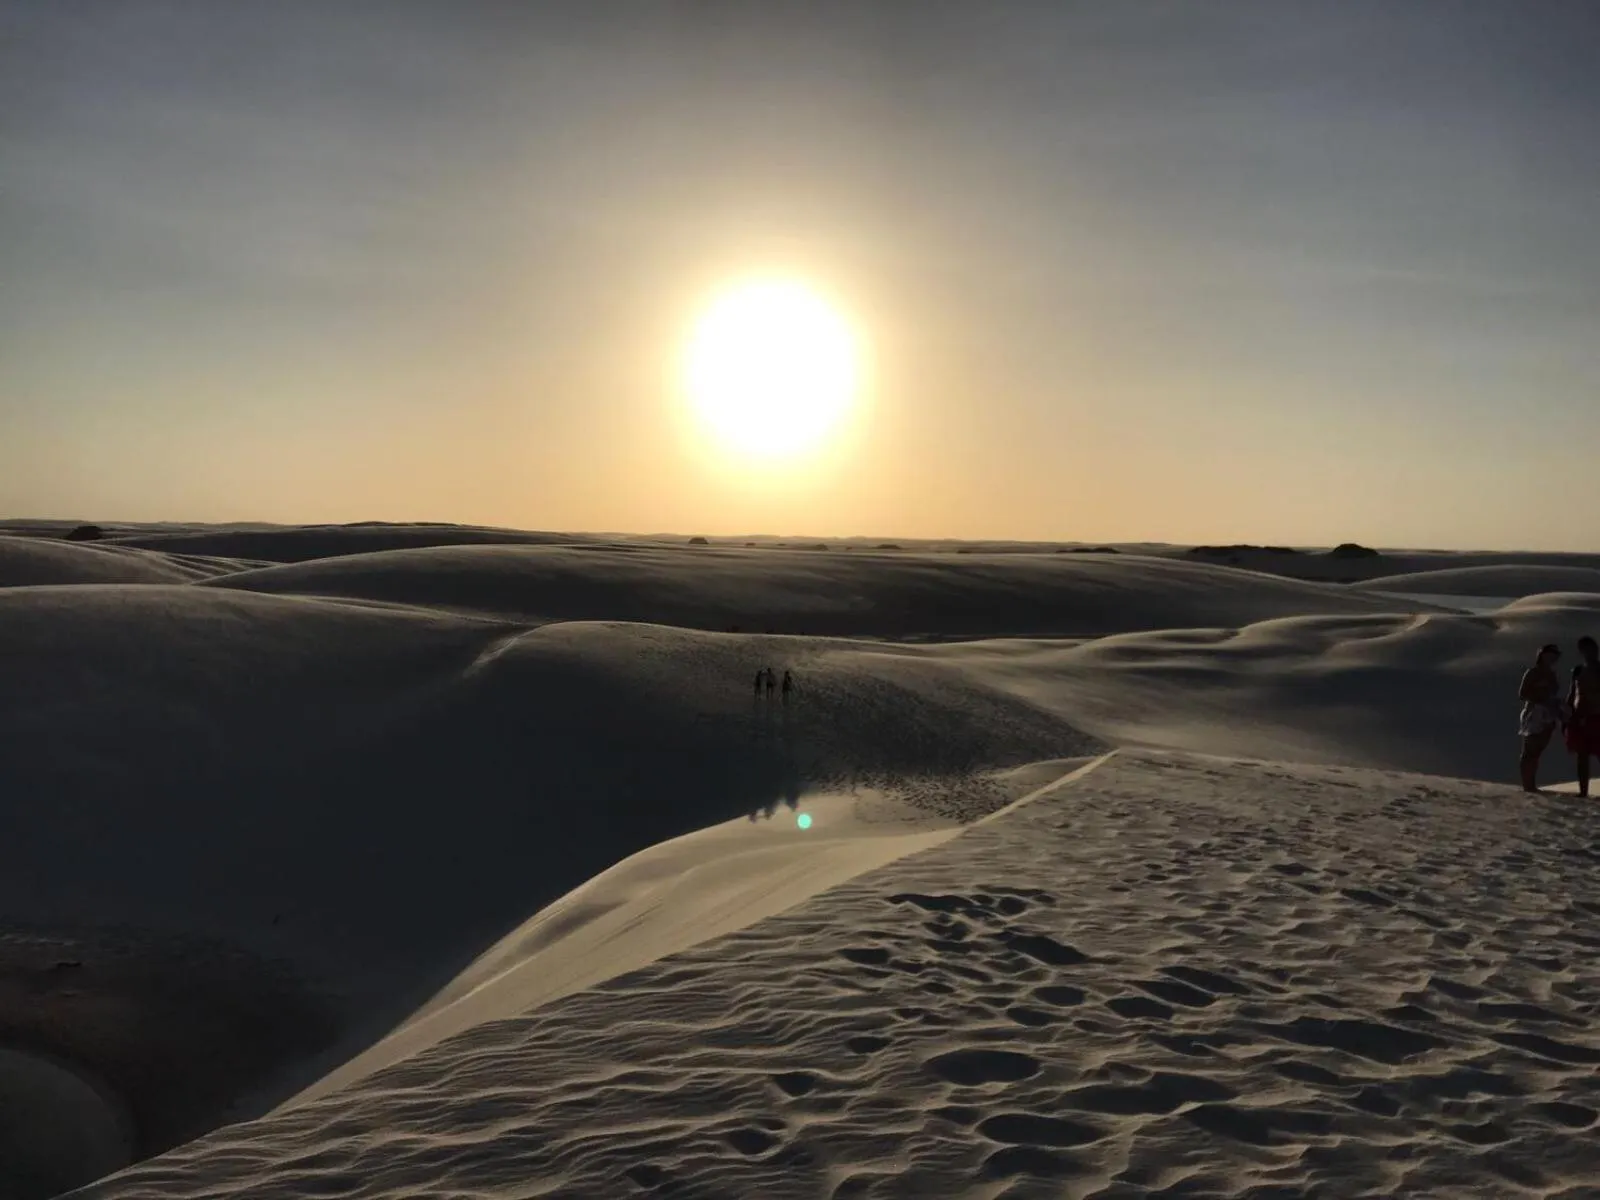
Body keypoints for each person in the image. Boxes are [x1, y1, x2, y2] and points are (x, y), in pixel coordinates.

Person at [1517, 643, 1563, 792]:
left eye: (1555, 655)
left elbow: (1553, 693)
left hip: (1548, 713)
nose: (1553, 658)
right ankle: (1527, 785)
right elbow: (1522, 694)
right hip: (1534, 712)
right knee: (1529, 750)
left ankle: (1532, 783)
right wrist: (1538, 696)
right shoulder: (1532, 673)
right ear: (1542, 655)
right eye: (1550, 654)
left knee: (1538, 751)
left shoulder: (1552, 674)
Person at [1565, 636, 1600, 798]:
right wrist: (1567, 713)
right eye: (1586, 649)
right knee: (1582, 754)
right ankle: (1583, 791)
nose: (1590, 652)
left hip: (1597, 715)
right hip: (1580, 717)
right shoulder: (1577, 670)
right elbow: (1572, 693)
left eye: (1592, 648)